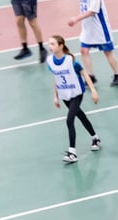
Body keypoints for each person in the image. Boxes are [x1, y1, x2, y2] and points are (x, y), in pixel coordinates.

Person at [46, 35, 100, 165]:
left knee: (70, 120)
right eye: (49, 44)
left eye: (53, 44)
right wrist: (56, 96)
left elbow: (85, 75)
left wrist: (93, 90)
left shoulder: (71, 61)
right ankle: (95, 138)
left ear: (61, 46)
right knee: (81, 116)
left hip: (76, 93)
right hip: (65, 95)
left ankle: (72, 153)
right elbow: (56, 79)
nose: (50, 46)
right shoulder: (51, 61)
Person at [67, 0, 118, 86]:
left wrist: (76, 19)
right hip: (88, 29)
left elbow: (92, 11)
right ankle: (90, 76)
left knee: (107, 52)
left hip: (100, 29)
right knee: (84, 50)